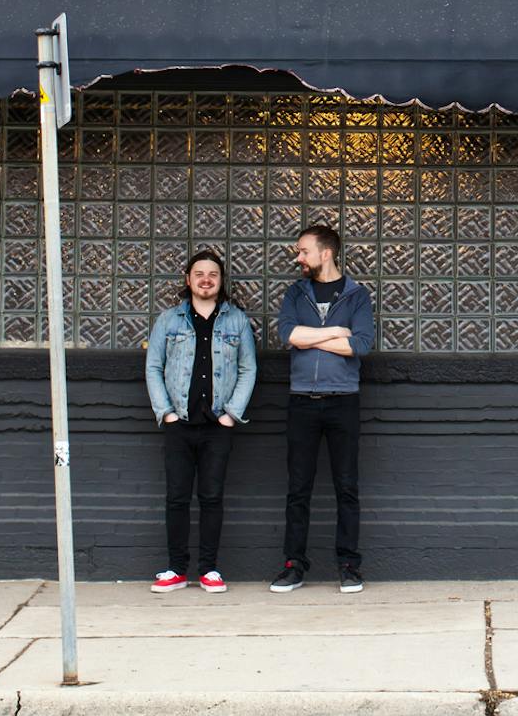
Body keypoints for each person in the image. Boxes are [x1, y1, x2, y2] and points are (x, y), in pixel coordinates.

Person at [144, 250, 258, 593]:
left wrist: (231, 416)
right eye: (199, 273)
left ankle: (209, 569)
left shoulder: (236, 320)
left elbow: (248, 368)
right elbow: (153, 366)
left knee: (212, 497)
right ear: (188, 279)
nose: (206, 279)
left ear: (221, 281)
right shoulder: (169, 320)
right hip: (179, 423)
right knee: (177, 497)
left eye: (213, 274)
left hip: (217, 425)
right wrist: (166, 413)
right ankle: (176, 569)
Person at [272, 223, 376, 593]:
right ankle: (293, 565)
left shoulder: (356, 295)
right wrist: (337, 332)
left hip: (343, 401)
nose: (297, 257)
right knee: (298, 489)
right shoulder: (295, 293)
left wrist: (313, 338)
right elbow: (288, 335)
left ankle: (348, 565)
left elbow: (361, 345)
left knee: (346, 487)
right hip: (302, 401)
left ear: (325, 252)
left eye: (303, 251)